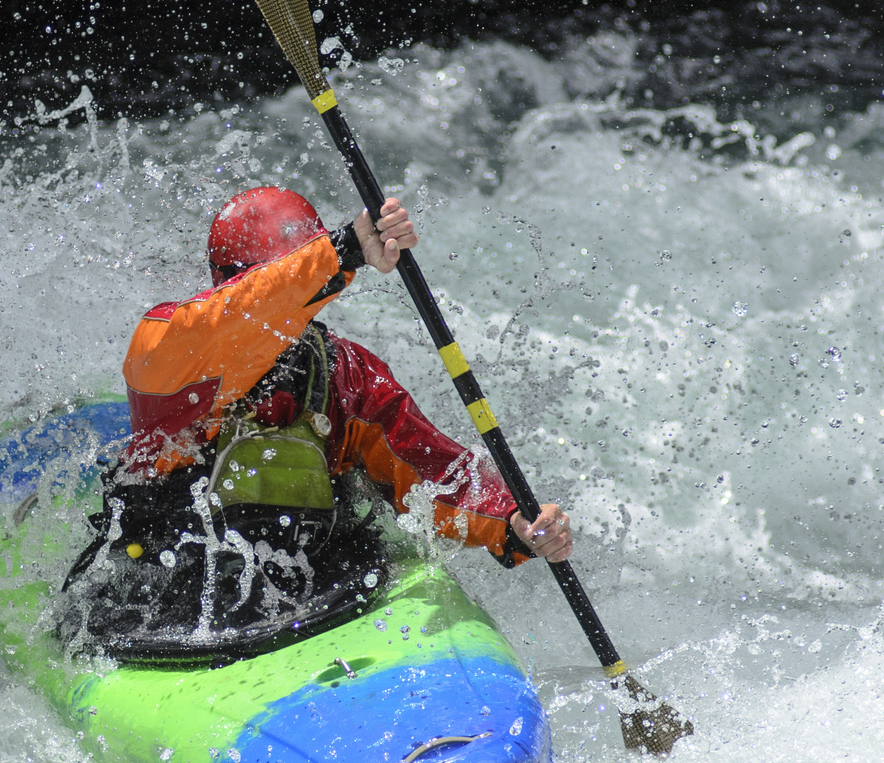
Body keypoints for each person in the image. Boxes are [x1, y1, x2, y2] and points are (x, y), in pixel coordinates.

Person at [113, 185, 572, 572]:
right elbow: (238, 316)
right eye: (271, 283)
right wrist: (341, 250)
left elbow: (431, 474)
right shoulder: (169, 348)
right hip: (168, 578)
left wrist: (513, 519)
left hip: (310, 582)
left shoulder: (347, 374)